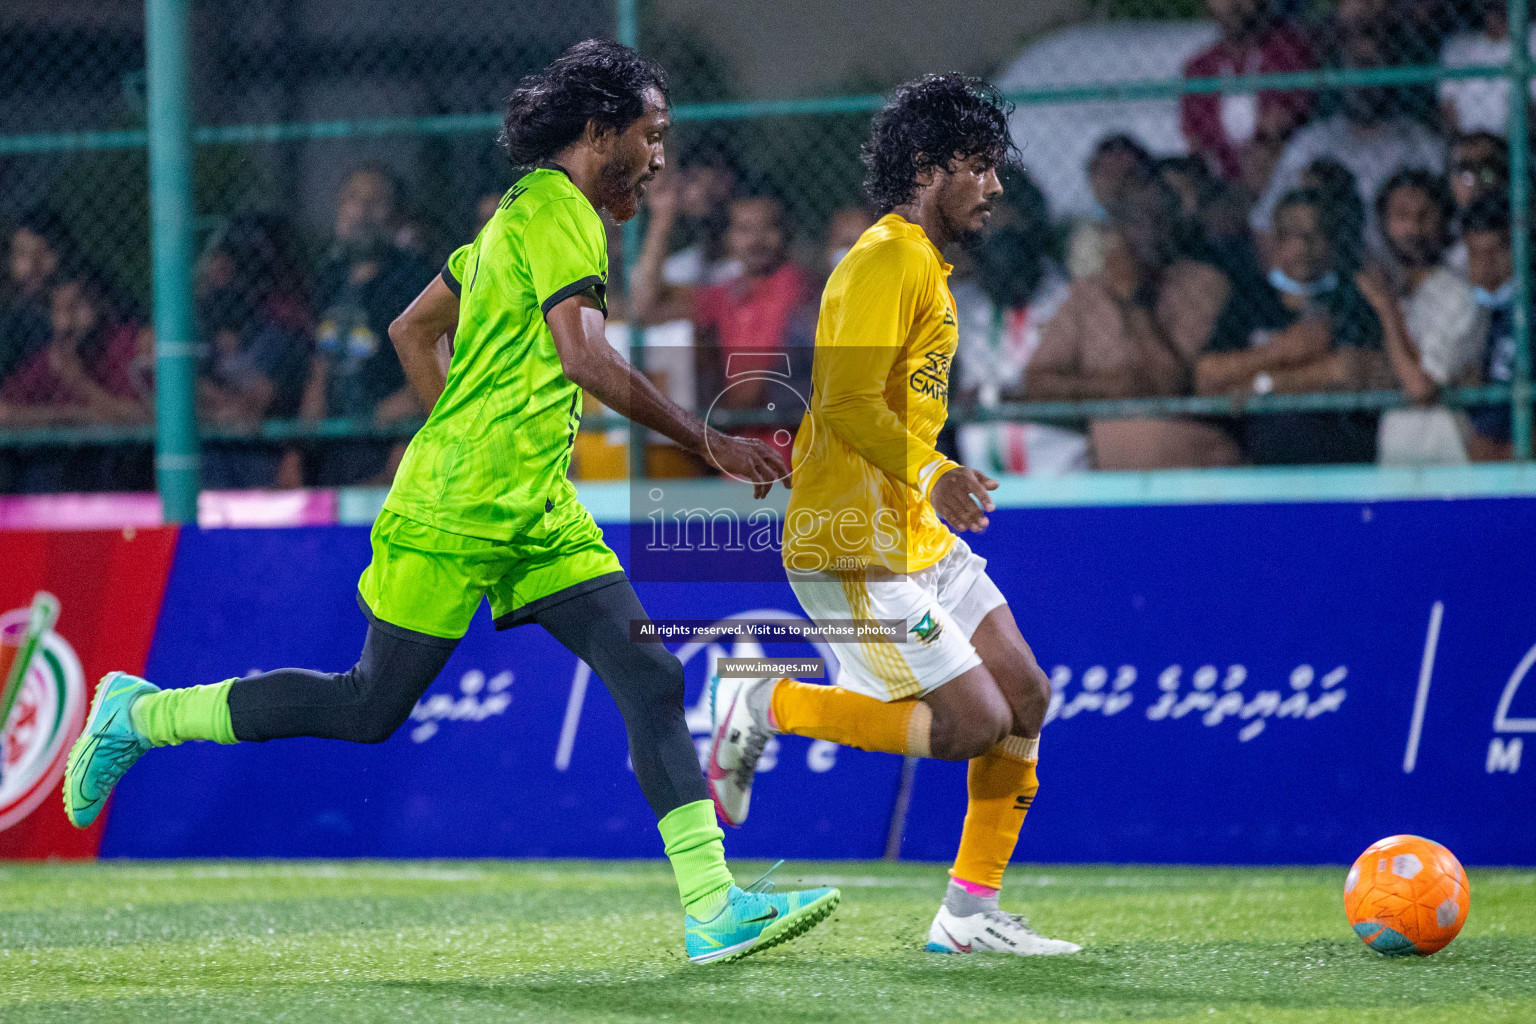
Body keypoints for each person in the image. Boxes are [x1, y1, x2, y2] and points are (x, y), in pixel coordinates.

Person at [62, 39, 838, 966]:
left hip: (533, 509)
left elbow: (412, 328)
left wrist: (459, 424)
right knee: (367, 705)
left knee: (651, 675)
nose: (661, 156)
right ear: (599, 135)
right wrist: (709, 441)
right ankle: (138, 716)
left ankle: (714, 908)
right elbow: (587, 360)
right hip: (459, 510)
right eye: (652, 134)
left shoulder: (517, 216)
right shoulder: (562, 213)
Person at [707, 73, 1081, 958]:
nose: (995, 185)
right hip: (852, 546)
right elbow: (838, 402)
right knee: (970, 725)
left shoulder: (926, 267)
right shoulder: (887, 259)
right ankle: (764, 700)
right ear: (928, 166)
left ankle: (965, 918)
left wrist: (930, 483)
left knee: (1027, 695)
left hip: (913, 533)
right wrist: (936, 467)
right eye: (980, 167)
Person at [1027, 179, 1240, 469]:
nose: (1150, 230)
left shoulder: (1202, 283)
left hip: (1195, 473)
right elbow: (1037, 381)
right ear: (1117, 229)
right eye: (1138, 220)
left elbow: (1168, 386)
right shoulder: (1089, 293)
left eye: (1160, 218)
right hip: (1111, 476)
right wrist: (1112, 387)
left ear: (1176, 224)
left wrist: (1134, 300)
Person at [1195, 188, 1390, 464]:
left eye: (1314, 235)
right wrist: (1280, 352)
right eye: (1292, 235)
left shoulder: (1352, 297)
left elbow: (1352, 370)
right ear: (1277, 241)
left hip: (1344, 457)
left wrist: (1263, 384)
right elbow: (1206, 376)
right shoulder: (1251, 298)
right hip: (1262, 460)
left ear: (1331, 240)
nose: (1303, 247)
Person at [1251, 8, 1445, 256]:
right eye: (1356, 67)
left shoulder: (1419, 142)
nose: (1363, 81)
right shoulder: (1313, 142)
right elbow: (1264, 222)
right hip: (1329, 269)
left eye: (1373, 67)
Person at [299, 165, 435, 486]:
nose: (360, 212)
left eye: (374, 202)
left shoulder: (414, 278)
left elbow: (441, 361)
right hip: (334, 440)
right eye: (352, 200)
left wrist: (403, 426)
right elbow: (320, 363)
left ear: (394, 215)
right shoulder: (330, 277)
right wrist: (299, 447)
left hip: (391, 436)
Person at [950, 166, 1080, 474]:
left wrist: (1000, 397)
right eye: (986, 227)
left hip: (1062, 483)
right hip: (981, 492)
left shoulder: (1070, 299)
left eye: (1009, 223)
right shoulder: (959, 306)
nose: (997, 240)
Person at [1367, 170, 1486, 465]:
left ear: (1444, 222)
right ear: (1384, 225)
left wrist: (1387, 310)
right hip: (1395, 460)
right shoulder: (1393, 290)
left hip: (1444, 462)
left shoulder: (1457, 294)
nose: (1413, 227)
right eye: (1401, 215)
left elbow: (1420, 387)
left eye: (1425, 215)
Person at [691, 193, 815, 464]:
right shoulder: (725, 293)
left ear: (785, 232)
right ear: (728, 237)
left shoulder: (796, 289)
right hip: (739, 457)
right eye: (745, 230)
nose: (757, 240)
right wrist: (661, 221)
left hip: (791, 456)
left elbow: (748, 392)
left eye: (768, 227)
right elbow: (643, 308)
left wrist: (712, 417)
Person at [0, 272, 152, 491]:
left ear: (100, 306)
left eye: (77, 307)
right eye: (60, 311)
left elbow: (142, 416)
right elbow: (4, 411)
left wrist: (79, 382)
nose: (67, 321)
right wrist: (72, 415)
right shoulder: (54, 356)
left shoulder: (124, 344)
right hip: (64, 460)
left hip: (124, 459)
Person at [194, 215, 312, 489]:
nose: (216, 277)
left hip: (260, 455)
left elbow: (254, 404)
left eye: (227, 267)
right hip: (210, 453)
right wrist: (216, 406)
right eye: (213, 266)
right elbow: (182, 392)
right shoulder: (198, 331)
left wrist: (215, 403)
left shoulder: (277, 332)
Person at [1180, 0, 1316, 187]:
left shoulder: (1287, 51)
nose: (1234, 3)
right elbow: (1195, 141)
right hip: (1220, 184)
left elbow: (1282, 120)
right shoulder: (1199, 67)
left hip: (1278, 170)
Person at [1462, 193, 1521, 461]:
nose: (1485, 264)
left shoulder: (1523, 314)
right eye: (1476, 253)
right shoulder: (1479, 309)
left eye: (1495, 251)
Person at [1066, 135, 1157, 280]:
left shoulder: (1155, 223)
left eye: (1126, 174)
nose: (1112, 181)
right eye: (1105, 171)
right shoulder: (1088, 232)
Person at [1439, 0, 1536, 136]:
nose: (1494, 14)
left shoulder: (1531, 36)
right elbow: (1448, 106)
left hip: (1518, 136)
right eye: (1489, 6)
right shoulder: (1459, 45)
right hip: (1471, 138)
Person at [1, 210, 71, 383]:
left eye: (40, 254)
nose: (29, 268)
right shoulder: (15, 324)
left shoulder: (95, 300)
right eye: (20, 254)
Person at [1446, 132, 1509, 273]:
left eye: (1487, 168)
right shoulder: (1444, 245)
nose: (1476, 180)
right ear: (1450, 181)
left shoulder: (1522, 238)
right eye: (1464, 170)